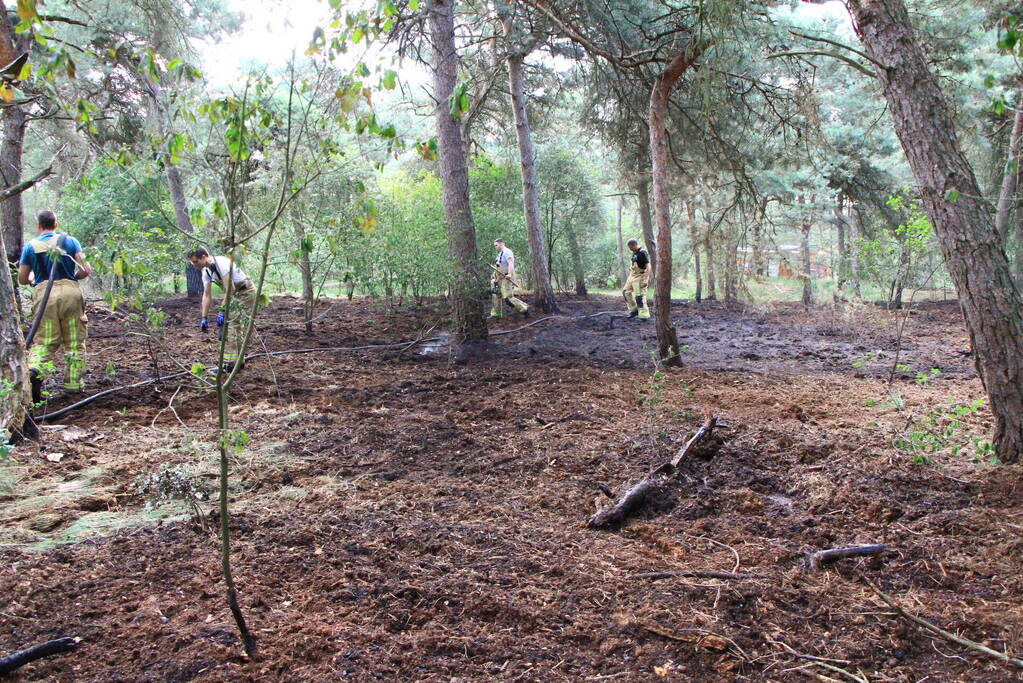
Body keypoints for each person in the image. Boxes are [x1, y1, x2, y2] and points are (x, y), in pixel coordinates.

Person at [17, 210, 93, 398]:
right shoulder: (70, 241)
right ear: (55, 224)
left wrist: (35, 281)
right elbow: (86, 269)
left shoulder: (30, 246)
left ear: (39, 225)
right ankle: (73, 387)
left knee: (45, 341)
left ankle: (34, 371)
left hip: (45, 296)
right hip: (71, 295)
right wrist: (73, 278)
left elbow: (22, 278)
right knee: (74, 343)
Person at [187, 247, 256, 372]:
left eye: (196, 261)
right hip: (234, 294)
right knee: (230, 325)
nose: (194, 265)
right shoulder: (206, 271)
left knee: (230, 325)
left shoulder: (221, 263)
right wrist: (204, 317)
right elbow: (206, 295)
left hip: (245, 292)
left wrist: (222, 311)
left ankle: (230, 364)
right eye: (192, 263)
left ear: (204, 257)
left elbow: (231, 289)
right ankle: (238, 362)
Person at [490, 238, 529, 318]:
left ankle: (524, 308)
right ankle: (496, 314)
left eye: (496, 245)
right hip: (499, 278)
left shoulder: (507, 252)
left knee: (508, 297)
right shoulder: (500, 254)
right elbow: (498, 266)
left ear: (501, 243)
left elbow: (510, 263)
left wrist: (509, 274)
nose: (495, 247)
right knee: (496, 294)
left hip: (506, 277)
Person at [623, 238, 650, 319]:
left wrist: (645, 279)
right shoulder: (634, 253)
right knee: (626, 292)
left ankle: (644, 315)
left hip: (640, 276)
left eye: (630, 247)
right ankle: (634, 310)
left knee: (639, 296)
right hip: (632, 276)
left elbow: (648, 266)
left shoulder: (642, 252)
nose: (630, 249)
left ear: (634, 245)